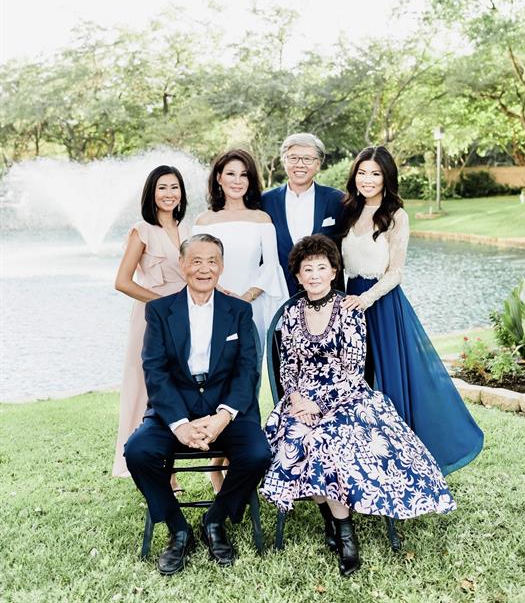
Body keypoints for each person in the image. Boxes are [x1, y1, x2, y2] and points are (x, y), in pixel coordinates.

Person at [261, 235, 456, 577]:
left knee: (325, 442)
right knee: (297, 439)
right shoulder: (291, 312)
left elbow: (354, 371)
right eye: (308, 269)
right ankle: (332, 521)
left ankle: (346, 536)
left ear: (333, 272)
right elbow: (288, 367)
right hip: (302, 398)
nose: (315, 275)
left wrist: (319, 404)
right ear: (299, 276)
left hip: (347, 396)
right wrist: (295, 398)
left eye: (322, 267)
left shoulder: (349, 310)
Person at [124, 234, 271, 575]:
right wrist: (180, 424)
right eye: (196, 261)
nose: (204, 269)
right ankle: (178, 528)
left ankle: (215, 519)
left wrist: (223, 416)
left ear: (222, 267)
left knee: (257, 454)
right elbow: (155, 371)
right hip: (175, 409)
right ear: (182, 265)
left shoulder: (240, 310)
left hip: (226, 410)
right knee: (138, 451)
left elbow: (247, 370)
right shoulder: (159, 310)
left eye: (212, 262)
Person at [340, 146, 484, 475]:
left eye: (375, 173)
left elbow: (396, 272)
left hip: (381, 304)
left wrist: (366, 300)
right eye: (362, 173)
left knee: (388, 380)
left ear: (387, 178)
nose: (367, 179)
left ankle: (400, 461)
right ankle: (362, 459)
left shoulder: (396, 215)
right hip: (350, 303)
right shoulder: (348, 210)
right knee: (358, 381)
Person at [112, 165, 189, 479]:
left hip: (185, 318)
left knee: (177, 389)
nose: (169, 194)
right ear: (151, 193)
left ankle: (174, 464)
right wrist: (162, 304)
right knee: (149, 389)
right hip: (153, 318)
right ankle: (161, 473)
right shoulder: (142, 230)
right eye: (162, 188)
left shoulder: (187, 229)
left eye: (174, 187)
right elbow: (122, 281)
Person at [193, 149, 288, 355]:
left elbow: (271, 266)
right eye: (231, 174)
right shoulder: (204, 221)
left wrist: (246, 298)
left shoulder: (261, 219)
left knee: (250, 366)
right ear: (219, 178)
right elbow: (194, 265)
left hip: (252, 305)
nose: (237, 181)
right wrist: (218, 292)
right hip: (211, 302)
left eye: (243, 175)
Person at [261, 133, 344, 295]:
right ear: (284, 161)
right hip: (279, 295)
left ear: (318, 164)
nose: (300, 164)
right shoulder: (265, 201)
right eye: (293, 158)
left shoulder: (337, 200)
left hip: (327, 297)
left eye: (307, 159)